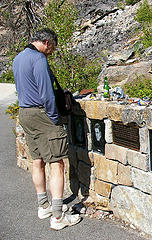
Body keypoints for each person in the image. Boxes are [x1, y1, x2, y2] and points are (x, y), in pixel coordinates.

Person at [13, 28, 81, 230]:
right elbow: (47, 94)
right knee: (57, 163)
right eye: (52, 47)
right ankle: (59, 217)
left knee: (37, 161)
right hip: (42, 115)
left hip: (25, 112)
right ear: (46, 42)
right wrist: (54, 118)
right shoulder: (39, 59)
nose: (51, 51)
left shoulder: (18, 58)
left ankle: (44, 206)